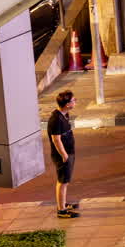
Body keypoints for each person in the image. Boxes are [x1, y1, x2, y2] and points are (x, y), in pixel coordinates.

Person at [48, 90, 80, 219]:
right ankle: (61, 211)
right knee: (63, 181)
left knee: (65, 180)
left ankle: (63, 204)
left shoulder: (64, 115)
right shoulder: (56, 119)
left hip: (68, 152)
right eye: (73, 100)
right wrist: (64, 155)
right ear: (67, 104)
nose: (75, 101)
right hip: (63, 155)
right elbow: (56, 139)